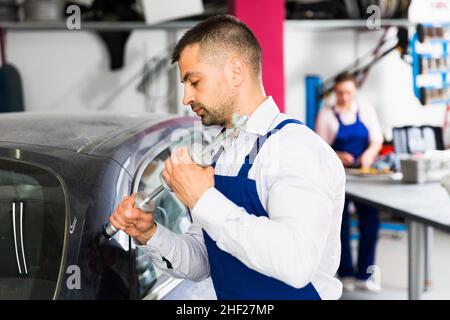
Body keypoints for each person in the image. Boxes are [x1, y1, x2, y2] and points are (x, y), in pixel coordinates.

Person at [110, 14, 345, 300]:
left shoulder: (296, 148)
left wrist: (203, 200)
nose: (186, 97)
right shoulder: (223, 153)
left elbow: (296, 263)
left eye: (194, 82)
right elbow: (205, 261)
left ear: (235, 72)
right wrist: (150, 233)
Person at [315, 73, 384, 292]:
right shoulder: (327, 114)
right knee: (339, 224)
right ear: (335, 93)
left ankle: (366, 273)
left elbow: (377, 139)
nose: (344, 97)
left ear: (354, 93)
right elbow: (319, 148)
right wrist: (336, 154)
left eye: (348, 93)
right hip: (339, 178)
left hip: (364, 177)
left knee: (371, 220)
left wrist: (369, 154)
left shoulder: (365, 110)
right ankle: (345, 273)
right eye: (340, 93)